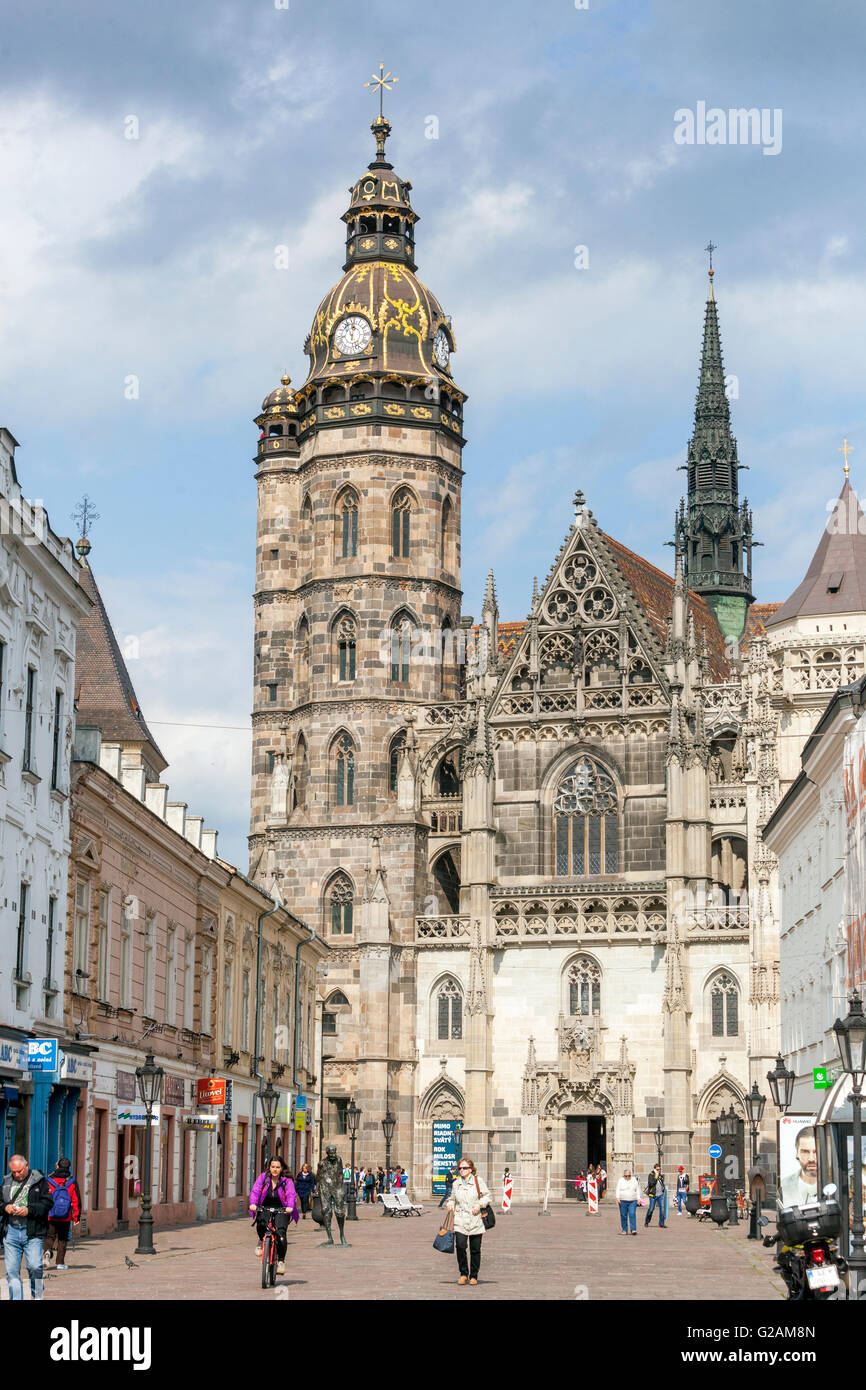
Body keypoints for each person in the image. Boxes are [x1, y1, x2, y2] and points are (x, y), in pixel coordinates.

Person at [1, 1153, 52, 1301]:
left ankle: (37, 1295)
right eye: (14, 1172)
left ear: (27, 1165)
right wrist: (6, 1207)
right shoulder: (6, 1181)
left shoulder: (39, 1181)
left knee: (35, 1267)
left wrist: (30, 1210)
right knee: (11, 1272)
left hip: (33, 1231)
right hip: (11, 1232)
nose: (17, 1174)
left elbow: (47, 1203)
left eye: (20, 1171)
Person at [248, 1157, 299, 1276]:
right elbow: (255, 1191)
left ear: (281, 1169)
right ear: (269, 1168)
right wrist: (253, 1204)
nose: (275, 1169)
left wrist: (290, 1207)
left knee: (281, 1234)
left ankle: (281, 1261)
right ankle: (261, 1241)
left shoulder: (287, 1181)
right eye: (273, 1167)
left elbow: (291, 1194)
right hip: (265, 1207)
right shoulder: (263, 1178)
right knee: (261, 1224)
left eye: (277, 1167)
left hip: (282, 1209)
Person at [446, 1157, 492, 1286]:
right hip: (460, 1219)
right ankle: (463, 1274)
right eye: (460, 1168)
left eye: (464, 1168)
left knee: (475, 1249)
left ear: (471, 1169)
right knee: (460, 1246)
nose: (461, 1170)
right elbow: (452, 1199)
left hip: (475, 1219)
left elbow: (487, 1196)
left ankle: (474, 1275)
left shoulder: (478, 1181)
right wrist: (450, 1205)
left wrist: (479, 1205)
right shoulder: (456, 1183)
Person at [43, 1157, 81, 1270]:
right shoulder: (72, 1181)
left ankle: (47, 1252)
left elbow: (44, 1198)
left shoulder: (49, 1180)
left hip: (51, 1215)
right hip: (66, 1216)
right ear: (69, 1168)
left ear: (58, 1166)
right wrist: (76, 1218)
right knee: (62, 1239)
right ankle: (60, 1263)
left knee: (50, 1236)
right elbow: (76, 1201)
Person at [780, 1127, 818, 1207]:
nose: (811, 1159)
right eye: (805, 1152)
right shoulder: (785, 1185)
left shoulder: (833, 1182)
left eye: (816, 1152)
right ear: (797, 1153)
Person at [616, 1168, 641, 1235]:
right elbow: (618, 1189)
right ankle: (624, 1229)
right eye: (626, 1176)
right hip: (623, 1200)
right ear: (624, 1176)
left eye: (629, 1176)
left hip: (632, 1200)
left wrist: (638, 1198)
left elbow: (637, 1189)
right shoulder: (620, 1180)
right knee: (623, 1215)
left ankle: (633, 1229)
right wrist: (617, 1197)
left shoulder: (634, 1180)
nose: (627, 1177)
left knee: (632, 1214)